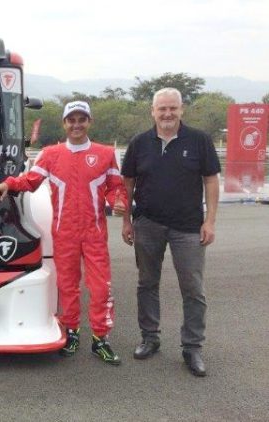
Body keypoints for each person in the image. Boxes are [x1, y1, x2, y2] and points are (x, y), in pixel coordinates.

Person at [0, 101, 127, 365]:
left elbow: (115, 187)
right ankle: (71, 332)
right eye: (71, 120)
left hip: (95, 233)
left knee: (100, 288)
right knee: (67, 286)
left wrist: (118, 201)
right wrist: (8, 184)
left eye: (81, 119)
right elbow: (30, 181)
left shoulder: (106, 153)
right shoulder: (50, 154)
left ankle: (101, 339)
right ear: (64, 123)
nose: (76, 125)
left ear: (89, 122)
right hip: (64, 233)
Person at [120, 88, 220, 377]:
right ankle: (150, 337)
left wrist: (210, 221)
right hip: (147, 223)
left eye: (172, 108)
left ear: (181, 109)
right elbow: (127, 183)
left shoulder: (199, 140)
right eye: (162, 108)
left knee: (193, 289)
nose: (167, 114)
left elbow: (211, 181)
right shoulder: (139, 143)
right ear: (152, 111)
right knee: (147, 283)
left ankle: (192, 347)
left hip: (188, 227)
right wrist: (126, 221)